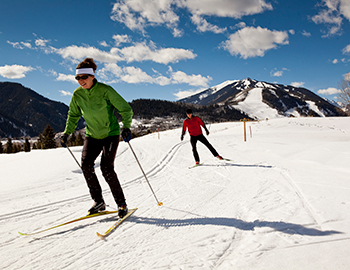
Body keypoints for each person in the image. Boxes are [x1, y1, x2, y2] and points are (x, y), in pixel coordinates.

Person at [61, 58, 133, 218]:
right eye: (78, 78)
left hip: (110, 134)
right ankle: (98, 201)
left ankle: (121, 203)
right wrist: (67, 133)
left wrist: (126, 127)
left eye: (84, 77)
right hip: (92, 135)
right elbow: (73, 115)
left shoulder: (106, 90)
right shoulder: (77, 94)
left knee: (107, 169)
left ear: (92, 76)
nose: (81, 81)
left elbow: (125, 109)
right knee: (86, 165)